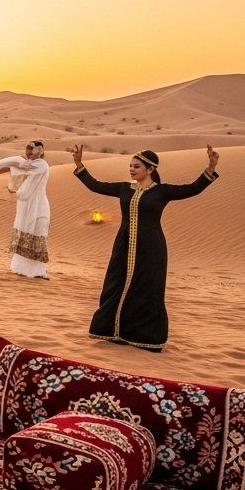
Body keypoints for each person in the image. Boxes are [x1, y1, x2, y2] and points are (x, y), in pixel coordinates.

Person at [70, 144, 220, 352]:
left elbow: (192, 188)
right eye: (130, 166)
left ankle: (145, 337)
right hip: (123, 246)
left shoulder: (162, 191)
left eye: (136, 167)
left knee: (147, 290)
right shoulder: (124, 188)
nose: (131, 169)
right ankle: (114, 332)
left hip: (151, 248)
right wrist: (79, 163)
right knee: (116, 284)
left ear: (150, 169)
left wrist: (211, 167)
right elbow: (95, 185)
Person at [0, 141, 52, 279]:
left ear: (39, 151)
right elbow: (11, 167)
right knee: (25, 232)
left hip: (39, 205)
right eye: (27, 150)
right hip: (26, 204)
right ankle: (21, 269)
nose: (28, 153)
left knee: (38, 233)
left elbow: (16, 165)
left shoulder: (41, 165)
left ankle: (38, 271)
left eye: (31, 150)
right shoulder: (25, 164)